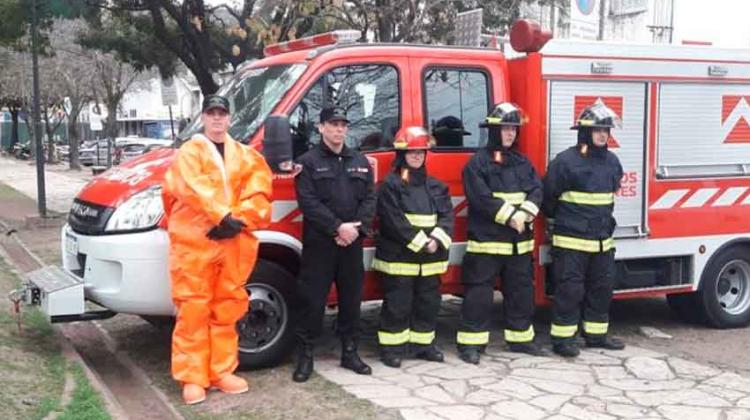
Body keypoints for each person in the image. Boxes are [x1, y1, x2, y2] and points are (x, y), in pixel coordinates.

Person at [161, 94, 273, 404]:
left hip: (233, 244)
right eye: (211, 113)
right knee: (193, 310)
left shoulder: (247, 155)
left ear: (230, 117)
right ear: (203, 117)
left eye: (222, 113)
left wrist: (238, 220)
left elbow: (260, 192)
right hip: (195, 245)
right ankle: (192, 377)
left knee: (228, 307)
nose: (217, 118)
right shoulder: (188, 153)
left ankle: (221, 371)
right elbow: (191, 188)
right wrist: (222, 216)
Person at [292, 106, 377, 382]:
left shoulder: (361, 161)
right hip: (321, 244)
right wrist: (336, 227)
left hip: (351, 243)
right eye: (333, 124)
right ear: (321, 128)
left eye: (343, 124)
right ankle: (305, 356)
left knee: (352, 300)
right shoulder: (307, 162)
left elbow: (369, 199)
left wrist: (357, 229)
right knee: (312, 301)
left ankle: (350, 352)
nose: (339, 129)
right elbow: (308, 202)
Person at [456, 103, 545, 365]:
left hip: (518, 245)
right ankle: (471, 344)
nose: (510, 134)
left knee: (521, 293)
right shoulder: (477, 164)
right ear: (493, 130)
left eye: (513, 129)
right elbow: (481, 198)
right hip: (487, 244)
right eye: (505, 128)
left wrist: (527, 212)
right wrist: (511, 216)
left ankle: (520, 339)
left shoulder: (522, 161)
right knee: (478, 296)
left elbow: (536, 188)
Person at [542, 102, 626, 358]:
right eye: (598, 130)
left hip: (602, 242)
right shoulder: (565, 162)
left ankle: (596, 335)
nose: (603, 134)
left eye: (606, 130)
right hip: (571, 242)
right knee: (570, 291)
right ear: (584, 132)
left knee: (602, 289)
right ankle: (563, 339)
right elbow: (548, 200)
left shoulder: (612, 162)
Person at [373, 126, 454, 368]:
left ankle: (424, 345)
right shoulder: (390, 185)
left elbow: (447, 216)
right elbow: (393, 220)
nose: (417, 156)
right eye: (412, 152)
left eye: (421, 152)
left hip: (430, 259)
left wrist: (436, 241)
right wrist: (421, 243)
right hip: (400, 258)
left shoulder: (436, 186)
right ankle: (391, 349)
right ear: (401, 155)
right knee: (398, 304)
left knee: (428, 303)